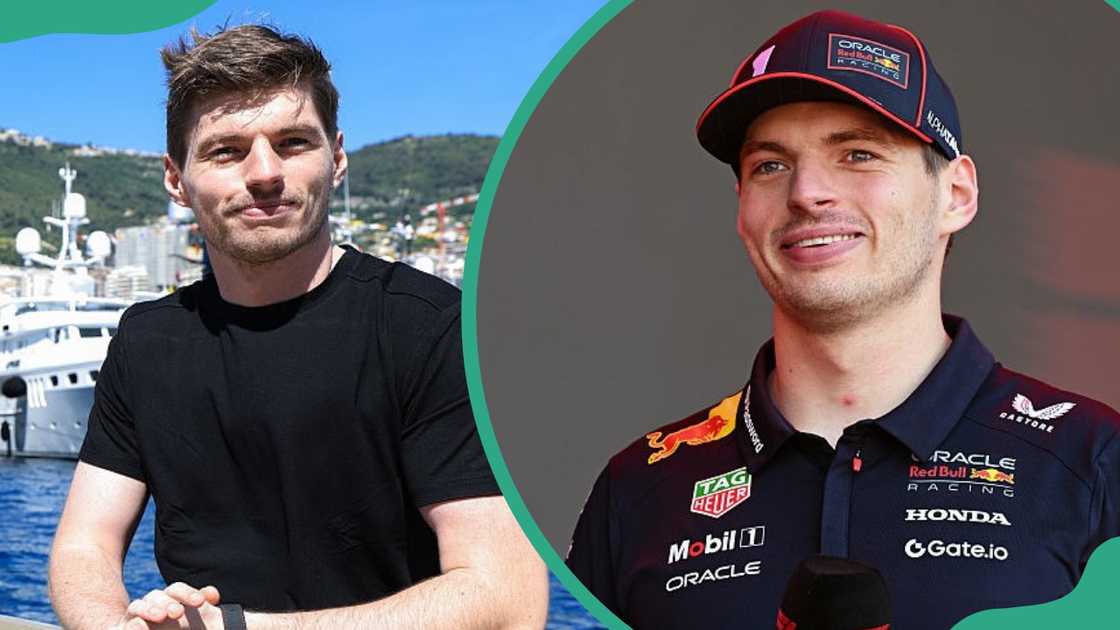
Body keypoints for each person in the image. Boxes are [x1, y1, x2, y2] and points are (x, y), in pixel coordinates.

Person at [566, 10, 1120, 629]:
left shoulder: (1094, 463)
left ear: (956, 195)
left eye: (858, 154)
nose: (806, 193)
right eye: (769, 166)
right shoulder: (640, 489)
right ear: (743, 209)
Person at [48, 24, 547, 630]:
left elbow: (508, 598)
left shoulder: (431, 327)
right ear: (176, 179)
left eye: (291, 142)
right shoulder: (147, 340)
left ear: (336, 159)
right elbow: (84, 547)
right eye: (226, 150)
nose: (264, 173)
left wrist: (238, 628)